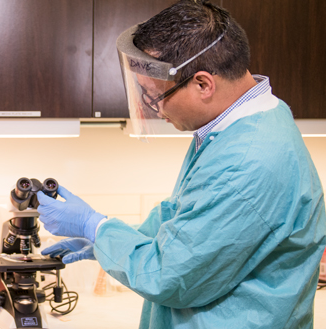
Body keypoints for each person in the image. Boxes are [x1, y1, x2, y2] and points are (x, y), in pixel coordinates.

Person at [36, 1, 326, 328]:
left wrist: (95, 226)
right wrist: (108, 240)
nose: (156, 110)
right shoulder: (239, 124)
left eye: (155, 97)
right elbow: (185, 221)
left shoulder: (248, 161)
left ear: (203, 84)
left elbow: (170, 275)